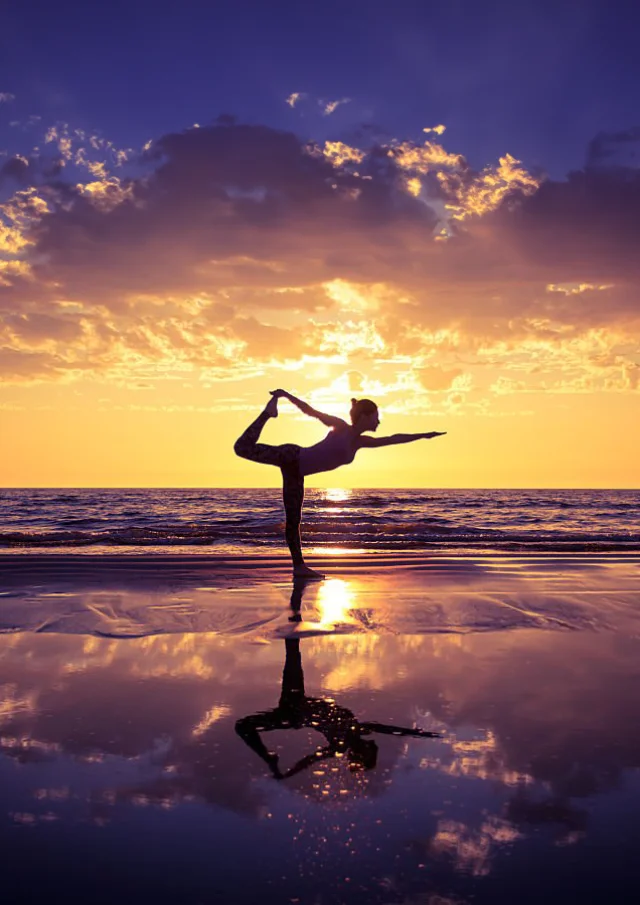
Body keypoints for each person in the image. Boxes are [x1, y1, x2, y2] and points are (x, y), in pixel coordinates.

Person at [233, 389, 446, 579]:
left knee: (293, 521)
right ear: (364, 416)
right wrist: (286, 396)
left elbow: (393, 438)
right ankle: (268, 414)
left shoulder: (361, 442)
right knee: (241, 448)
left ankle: (299, 567)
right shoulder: (340, 426)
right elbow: (311, 411)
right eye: (376, 417)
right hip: (292, 456)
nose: (378, 423)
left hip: (297, 473)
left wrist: (424, 436)